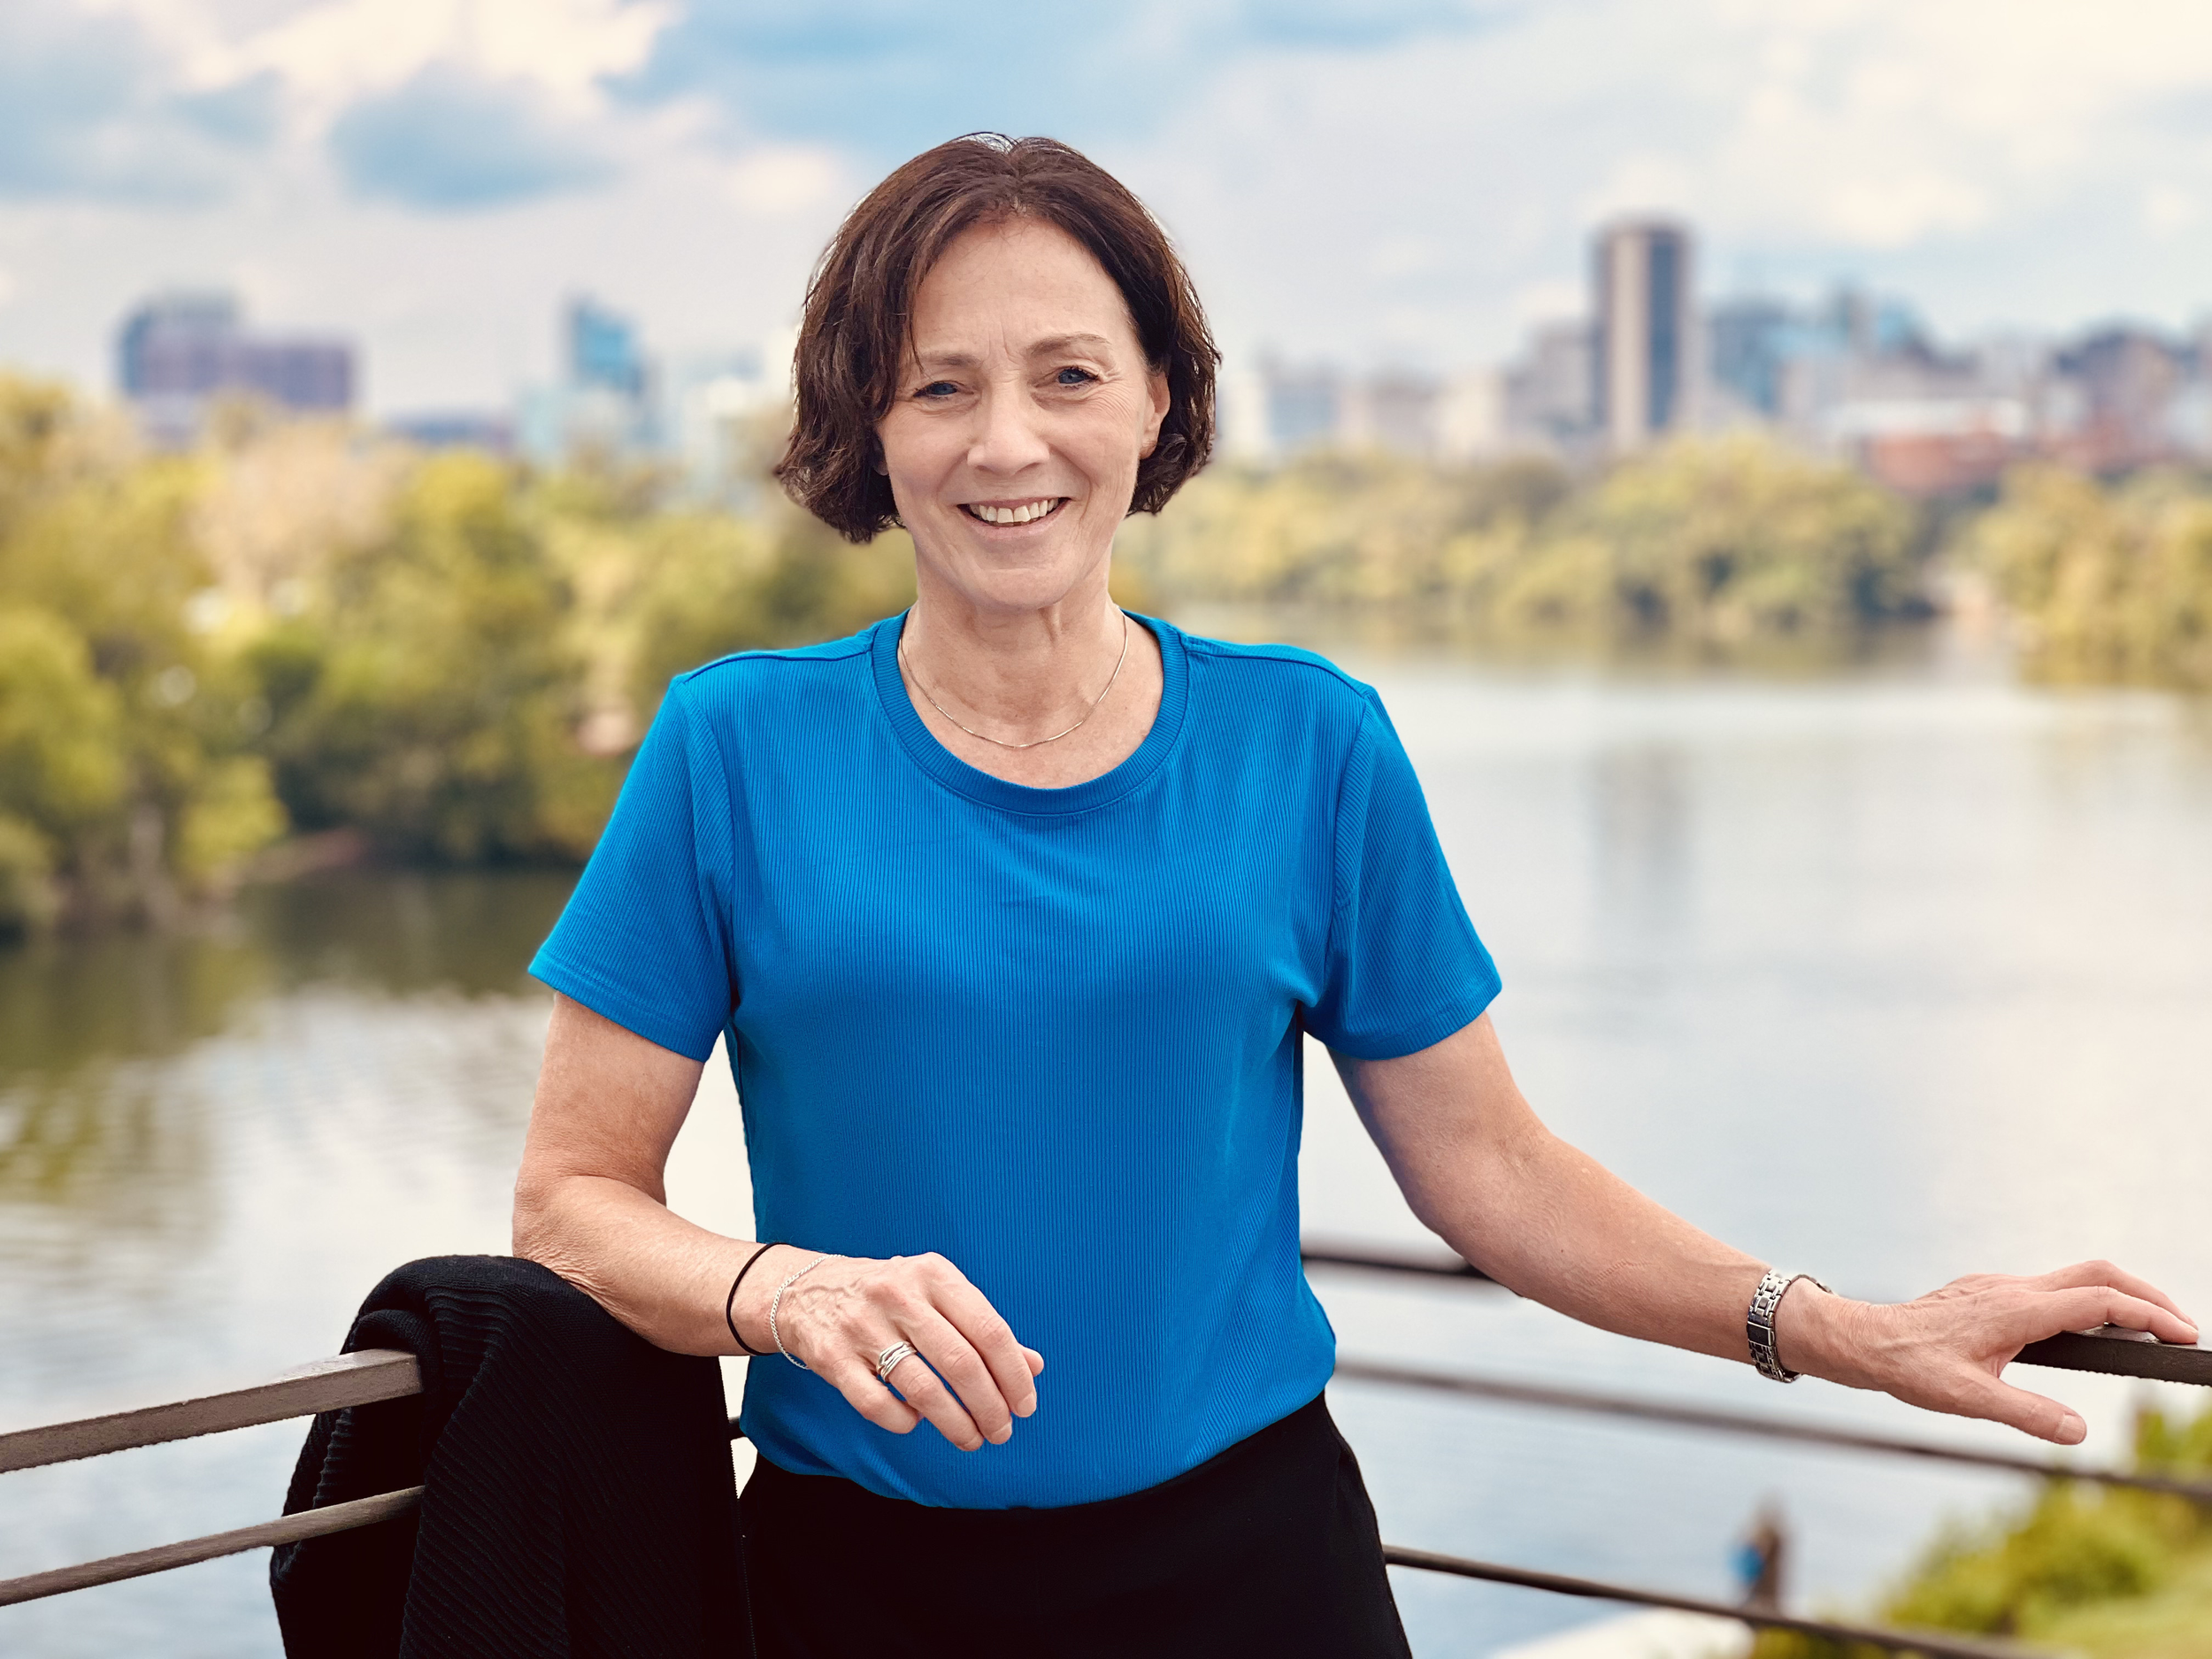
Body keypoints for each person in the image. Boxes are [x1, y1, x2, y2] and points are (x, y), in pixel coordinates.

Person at [513, 134, 2195, 1657]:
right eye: (938, 386)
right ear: (867, 428)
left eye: (1069, 374)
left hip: (1253, 1584)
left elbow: (1492, 1169)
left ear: (1160, 401)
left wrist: (1849, 1329)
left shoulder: (1307, 741)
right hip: (845, 1595)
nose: (1007, 441)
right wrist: (779, 1290)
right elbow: (574, 1198)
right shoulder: (731, 744)